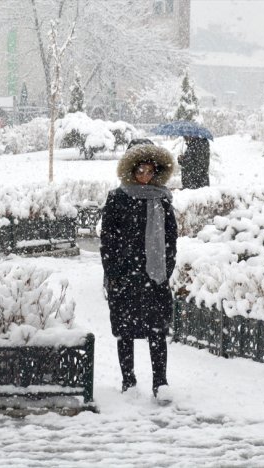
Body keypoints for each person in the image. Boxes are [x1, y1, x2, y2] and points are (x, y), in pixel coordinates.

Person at [100, 139, 178, 404]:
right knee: (125, 331)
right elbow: (108, 238)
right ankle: (129, 380)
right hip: (125, 275)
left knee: (158, 330)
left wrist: (166, 268)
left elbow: (171, 237)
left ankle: (161, 382)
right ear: (130, 169)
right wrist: (113, 273)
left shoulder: (163, 199)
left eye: (149, 171)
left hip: (154, 277)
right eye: (139, 171)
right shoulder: (117, 198)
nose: (145, 176)